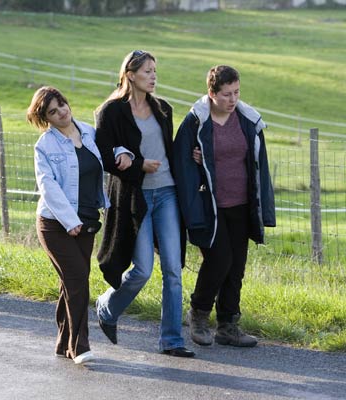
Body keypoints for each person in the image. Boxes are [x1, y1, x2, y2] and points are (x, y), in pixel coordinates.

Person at [94, 50, 194, 357]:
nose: (153, 76)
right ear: (130, 74)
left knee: (174, 270)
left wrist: (193, 157)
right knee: (142, 270)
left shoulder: (163, 108)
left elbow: (171, 149)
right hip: (135, 198)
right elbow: (103, 154)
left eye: (155, 71)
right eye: (147, 71)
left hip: (167, 193)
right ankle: (107, 308)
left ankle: (172, 340)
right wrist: (137, 165)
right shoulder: (110, 112)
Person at [172, 65, 275, 347]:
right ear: (212, 93)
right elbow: (181, 166)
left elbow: (258, 166)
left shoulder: (246, 120)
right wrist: (200, 164)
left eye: (237, 93)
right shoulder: (195, 123)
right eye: (227, 94)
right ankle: (199, 314)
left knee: (236, 266)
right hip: (209, 206)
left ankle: (228, 325)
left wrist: (263, 206)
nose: (233, 100)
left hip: (242, 205)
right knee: (219, 260)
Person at [28, 86, 109, 365]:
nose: (61, 112)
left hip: (87, 221)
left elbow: (108, 152)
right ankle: (79, 345)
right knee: (77, 279)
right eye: (53, 111)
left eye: (61, 104)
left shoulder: (89, 132)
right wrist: (69, 220)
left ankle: (63, 342)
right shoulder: (45, 145)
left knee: (71, 281)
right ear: (46, 118)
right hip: (54, 224)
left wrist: (124, 152)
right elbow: (47, 186)